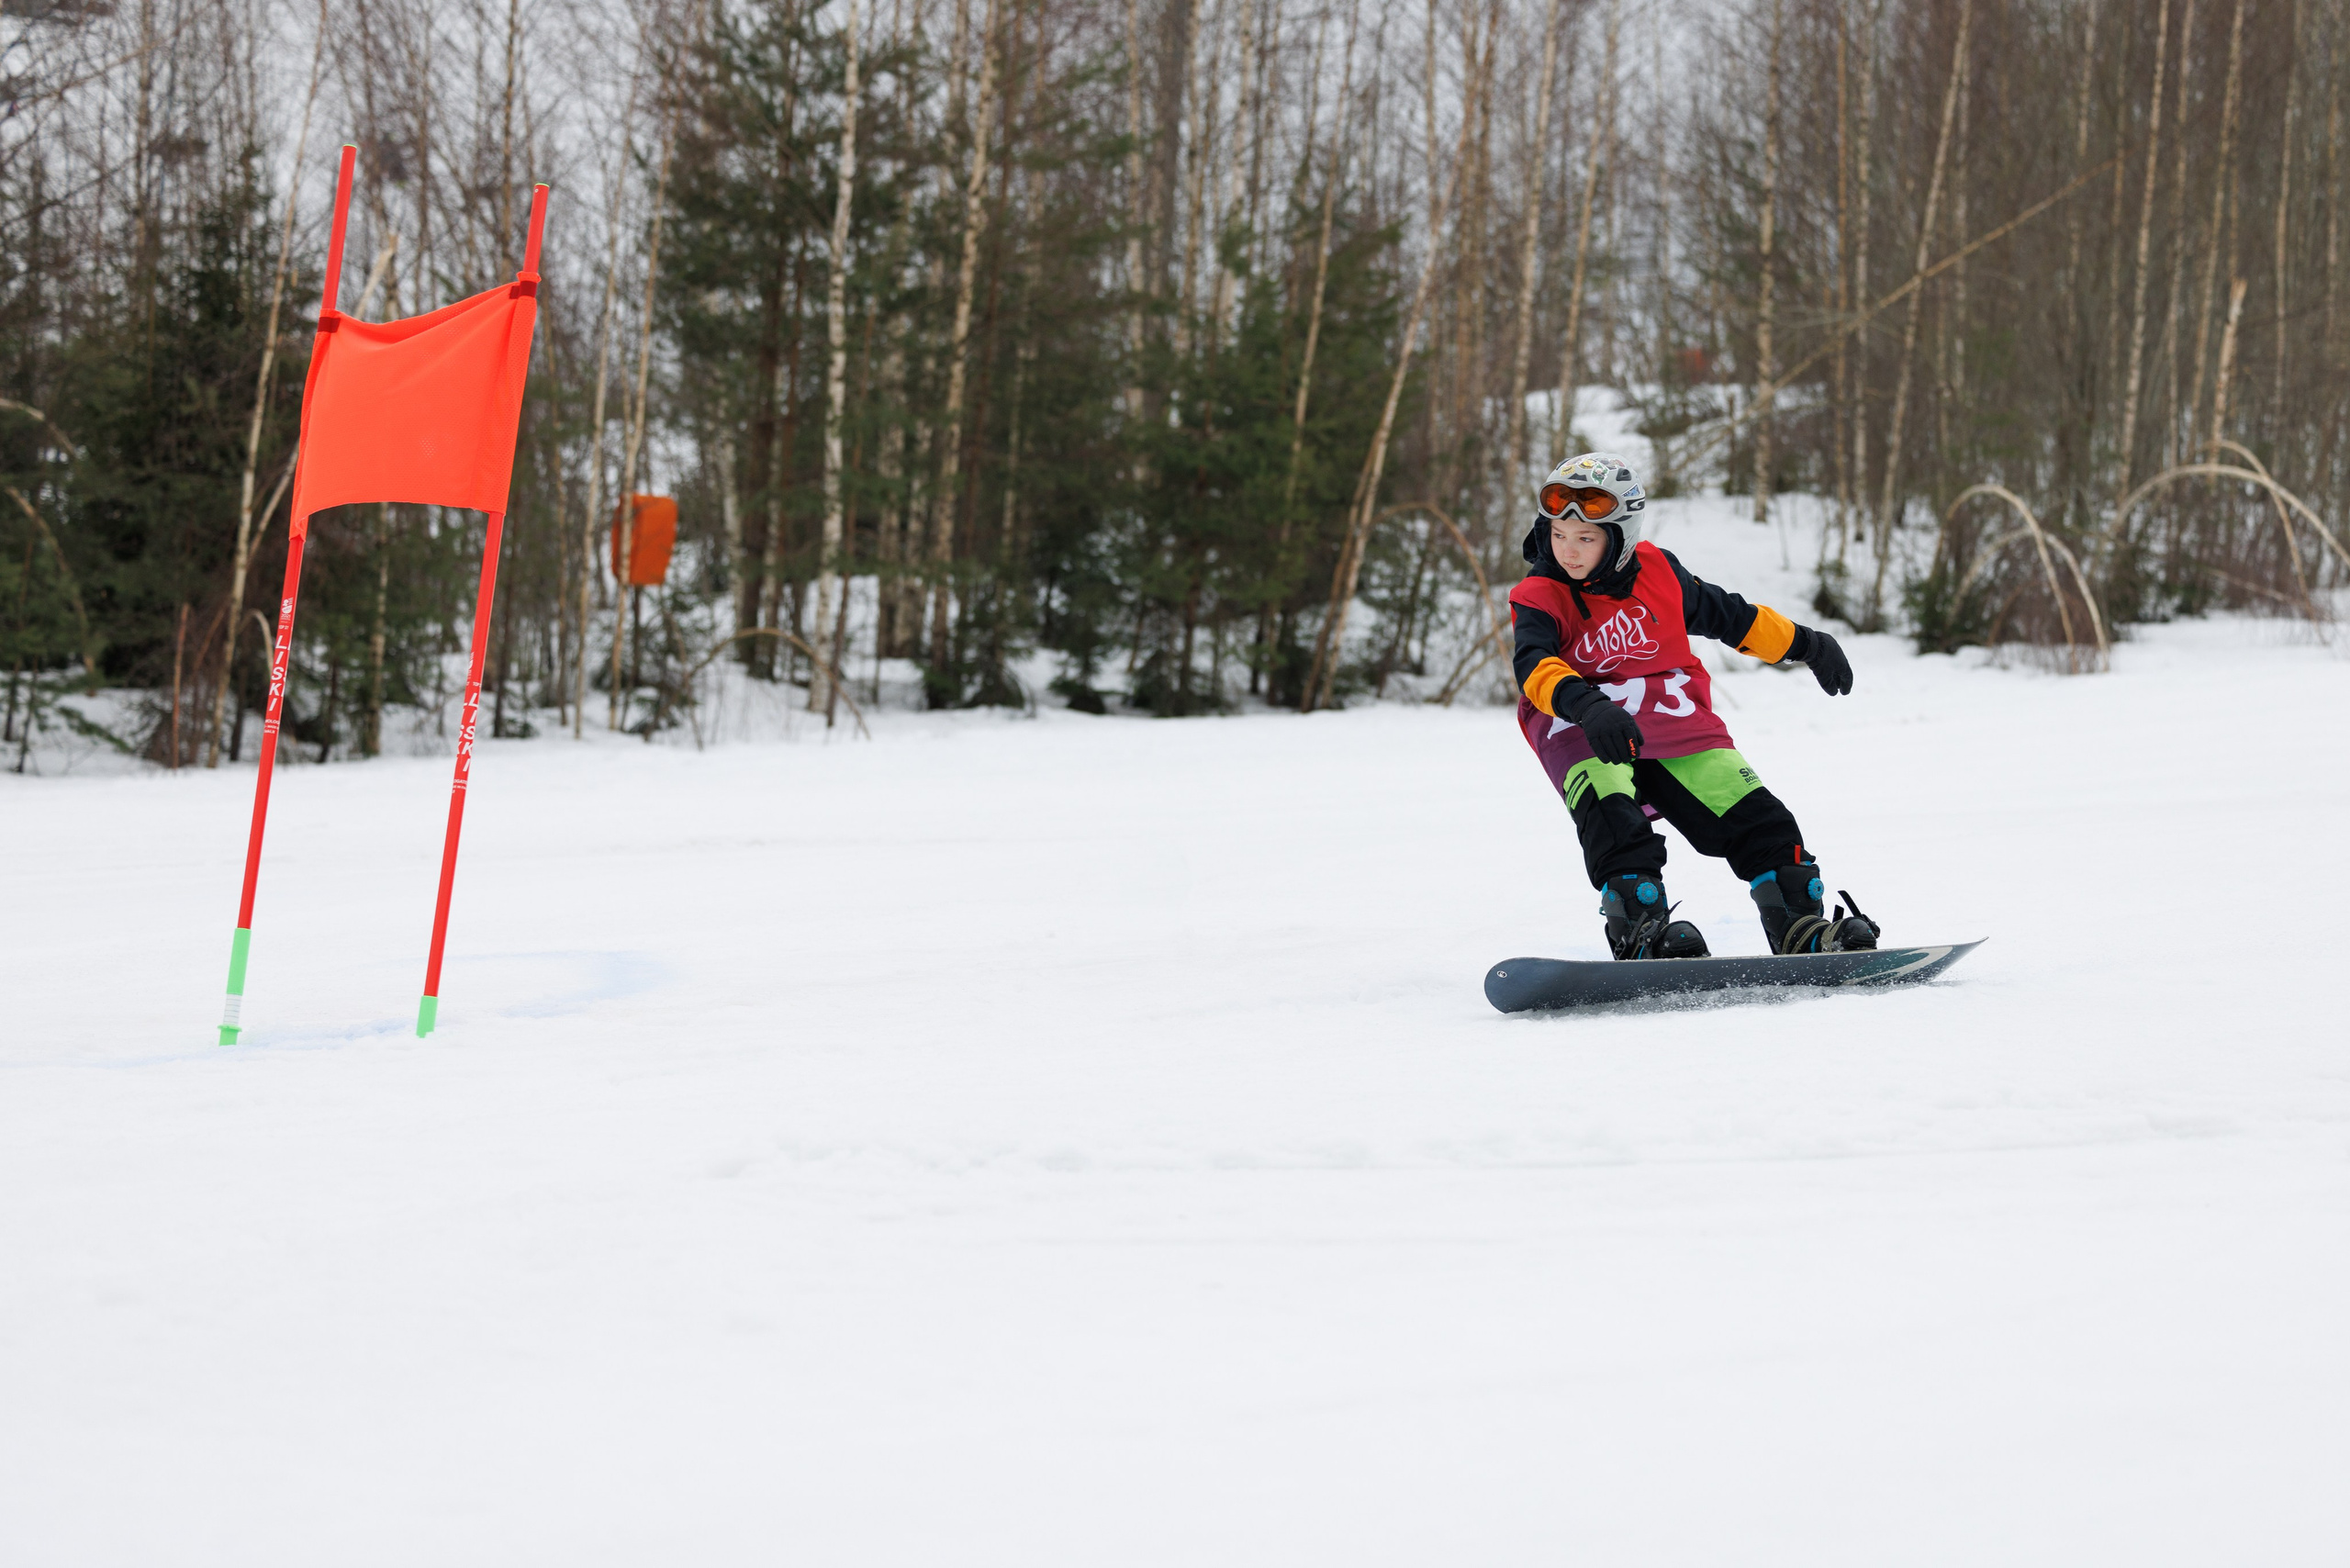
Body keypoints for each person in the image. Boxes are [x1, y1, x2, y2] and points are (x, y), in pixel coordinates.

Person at [1507, 452, 1880, 960]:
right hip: (1583, 726)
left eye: (1586, 538)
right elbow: (1534, 666)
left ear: (1620, 537)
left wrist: (1806, 644)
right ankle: (1641, 933)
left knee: (1760, 817)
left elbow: (1732, 617)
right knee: (1617, 821)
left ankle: (1800, 928)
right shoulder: (1538, 595)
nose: (1568, 550)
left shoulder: (1659, 572)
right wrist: (1588, 707)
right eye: (1558, 534)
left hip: (1674, 718)